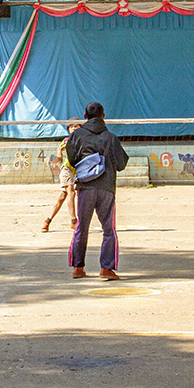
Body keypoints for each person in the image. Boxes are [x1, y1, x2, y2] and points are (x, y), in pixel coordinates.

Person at [66, 102, 128, 280]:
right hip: (106, 187)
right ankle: (106, 269)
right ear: (103, 116)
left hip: (85, 187)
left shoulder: (77, 135)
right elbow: (121, 164)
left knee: (81, 228)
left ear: (85, 116)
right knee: (108, 229)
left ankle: (78, 267)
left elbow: (72, 158)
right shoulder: (111, 137)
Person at [42, 118, 81, 232]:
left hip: (76, 171)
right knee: (71, 193)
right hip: (67, 170)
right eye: (71, 126)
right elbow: (59, 155)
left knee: (62, 197)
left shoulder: (82, 140)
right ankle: (74, 220)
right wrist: (60, 153)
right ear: (68, 129)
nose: (74, 128)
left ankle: (47, 221)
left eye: (76, 126)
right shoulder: (66, 140)